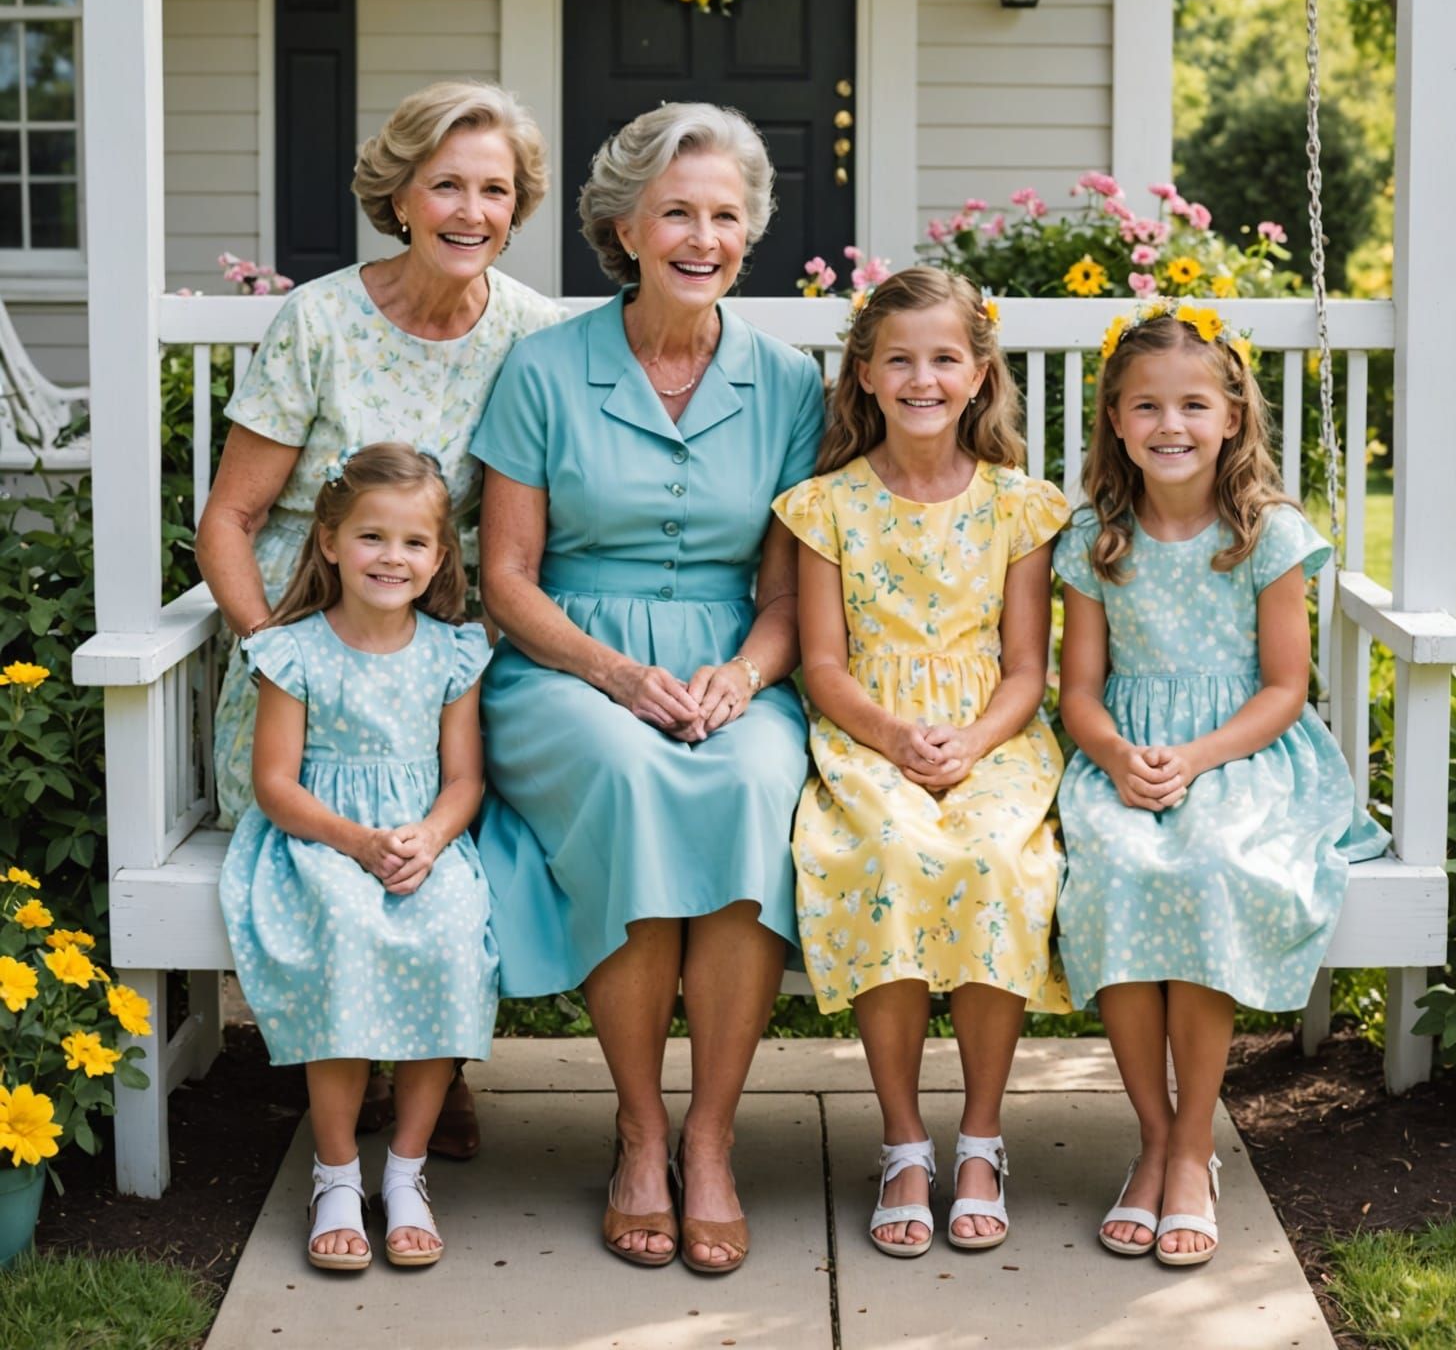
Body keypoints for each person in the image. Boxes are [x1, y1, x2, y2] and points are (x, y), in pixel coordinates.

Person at [471, 102, 824, 1273]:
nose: (702, 236)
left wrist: (740, 677)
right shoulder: (544, 368)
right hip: (567, 663)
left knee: (760, 775)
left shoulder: (786, 384)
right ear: (623, 227)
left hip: (731, 660)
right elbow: (506, 580)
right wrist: (617, 673)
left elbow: (783, 597)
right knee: (625, 774)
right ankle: (636, 1128)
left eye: (726, 215)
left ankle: (711, 1139)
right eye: (677, 211)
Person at [199, 79, 559, 1155]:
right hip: (307, 655)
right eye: (446, 184)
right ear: (399, 197)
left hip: (452, 659)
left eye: (494, 190)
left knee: (453, 831)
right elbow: (231, 514)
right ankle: (381, 1078)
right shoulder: (321, 320)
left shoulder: (533, 333)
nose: (470, 211)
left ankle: (424, 1062)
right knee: (347, 855)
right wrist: (275, 649)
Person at [1054, 299, 1388, 1268]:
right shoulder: (1098, 537)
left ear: (1232, 417)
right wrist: (1118, 755)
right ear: (1115, 420)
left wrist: (1197, 759)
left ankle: (1195, 1143)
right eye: (1147, 406)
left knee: (1208, 867)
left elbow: (1288, 687)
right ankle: (1153, 1138)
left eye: (1194, 405)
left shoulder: (1263, 531)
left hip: (1244, 757)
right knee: (1115, 864)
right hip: (1127, 750)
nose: (1171, 426)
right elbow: (1077, 692)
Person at [773, 267, 1071, 1259]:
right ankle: (905, 1139)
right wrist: (899, 738)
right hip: (870, 736)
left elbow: (1029, 668)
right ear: (862, 376)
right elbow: (822, 666)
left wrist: (975, 740)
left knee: (994, 860)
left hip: (993, 734)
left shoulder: (1018, 508)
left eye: (945, 359)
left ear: (981, 374)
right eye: (898, 360)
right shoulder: (827, 508)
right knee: (890, 856)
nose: (922, 378)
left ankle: (980, 1138)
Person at [218, 443, 498, 1272]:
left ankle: (406, 1172)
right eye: (372, 537)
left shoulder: (452, 653)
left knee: (451, 926)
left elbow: (464, 779)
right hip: (321, 841)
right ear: (330, 541)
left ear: (441, 556)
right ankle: (337, 1172)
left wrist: (432, 835)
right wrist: (358, 841)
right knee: (341, 928)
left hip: (418, 840)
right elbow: (275, 785)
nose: (392, 557)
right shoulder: (294, 650)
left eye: (414, 542)